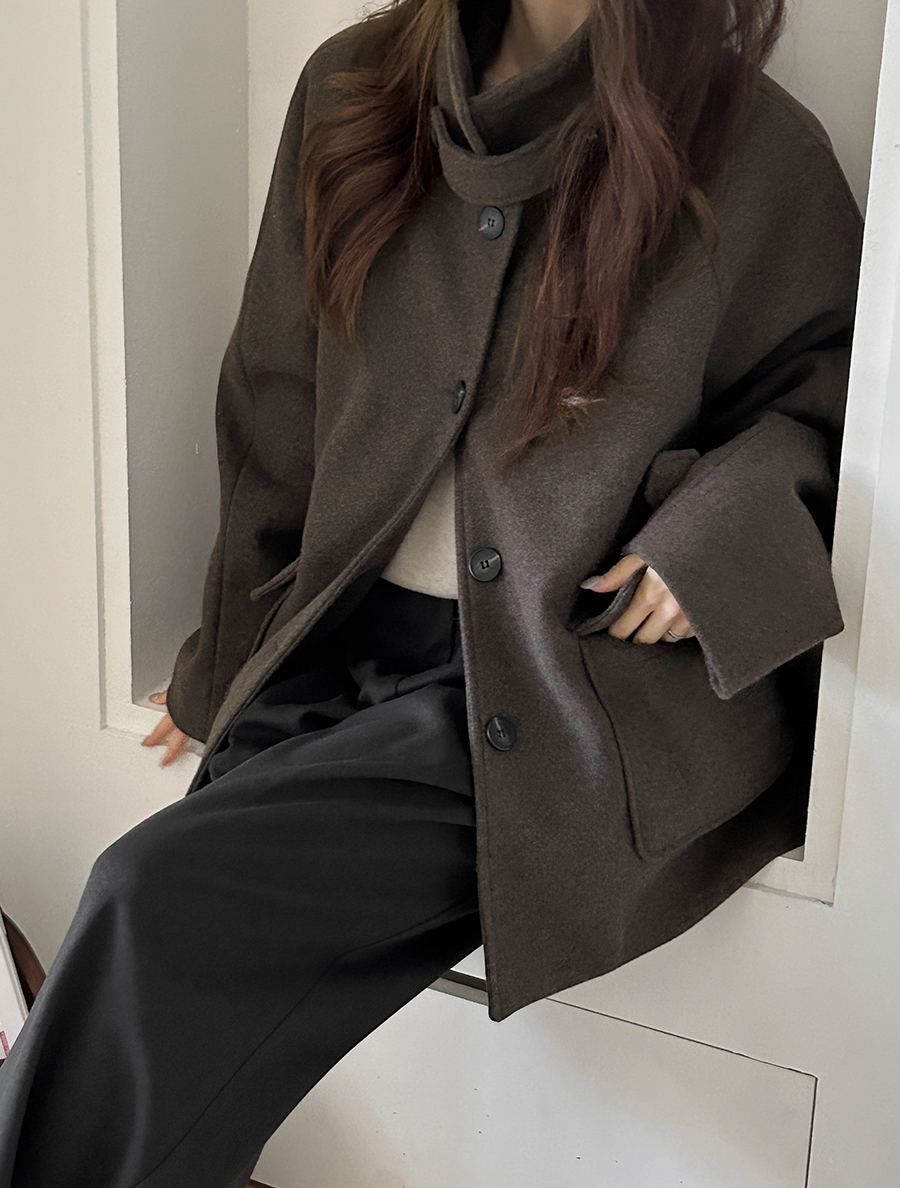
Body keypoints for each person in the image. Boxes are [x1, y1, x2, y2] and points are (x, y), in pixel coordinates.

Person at [0, 0, 863, 1185]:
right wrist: (223, 669)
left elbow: (836, 410)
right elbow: (275, 405)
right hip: (350, 645)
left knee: (147, 895)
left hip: (570, 685)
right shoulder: (352, 88)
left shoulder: (753, 145)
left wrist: (711, 543)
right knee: (164, 934)